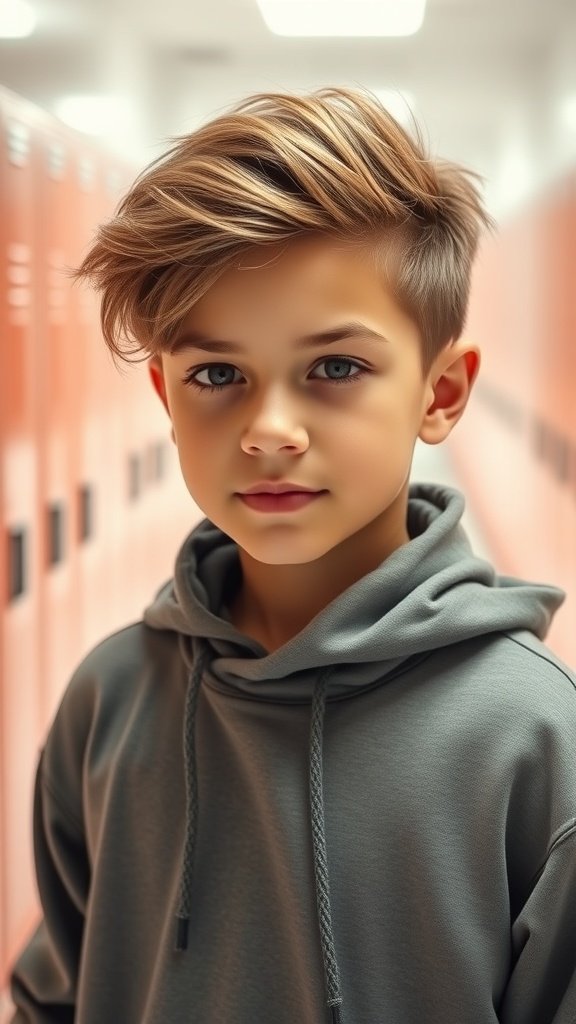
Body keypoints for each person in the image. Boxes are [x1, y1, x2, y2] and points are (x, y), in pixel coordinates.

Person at [9, 87, 576, 1024]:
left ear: (440, 392)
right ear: (164, 393)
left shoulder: (535, 739)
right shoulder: (108, 700)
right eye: (218, 375)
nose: (270, 431)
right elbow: (56, 992)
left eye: (336, 369)